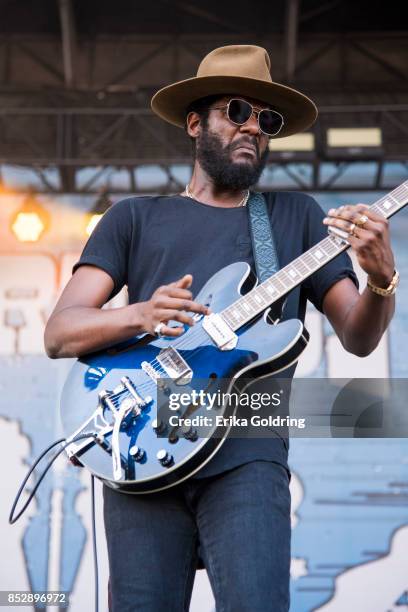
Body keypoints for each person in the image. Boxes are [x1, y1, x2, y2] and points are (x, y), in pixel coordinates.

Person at [44, 45, 397, 612]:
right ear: (194, 122)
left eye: (267, 120)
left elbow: (358, 335)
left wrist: (382, 281)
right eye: (238, 110)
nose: (253, 128)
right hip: (144, 454)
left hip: (248, 456)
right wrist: (139, 314)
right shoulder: (134, 217)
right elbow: (60, 333)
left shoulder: (296, 217)